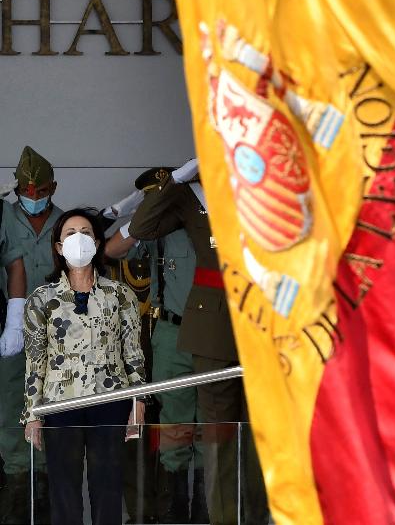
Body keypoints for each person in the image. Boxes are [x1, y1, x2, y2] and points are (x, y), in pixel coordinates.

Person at [126, 158, 269, 525]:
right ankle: (222, 518)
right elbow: (142, 226)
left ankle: (255, 516)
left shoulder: (273, 181)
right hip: (212, 323)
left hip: (268, 319)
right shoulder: (192, 195)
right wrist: (175, 180)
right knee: (218, 434)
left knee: (263, 428)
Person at [22, 208, 146, 525]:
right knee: (64, 492)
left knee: (108, 489)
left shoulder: (120, 295)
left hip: (110, 400)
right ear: (59, 246)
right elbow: (36, 361)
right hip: (61, 402)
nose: (79, 239)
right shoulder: (42, 299)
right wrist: (32, 414)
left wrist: (139, 400)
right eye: (71, 233)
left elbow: (133, 353)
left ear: (97, 241)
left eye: (86, 233)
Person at [104, 167, 207, 522]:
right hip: (172, 335)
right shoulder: (157, 230)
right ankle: (176, 511)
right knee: (175, 427)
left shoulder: (214, 220)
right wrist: (140, 210)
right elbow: (113, 249)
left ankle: (206, 510)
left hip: (214, 333)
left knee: (213, 427)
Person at [0, 147, 61, 523]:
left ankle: (45, 496)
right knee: (10, 408)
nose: (33, 198)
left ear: (54, 187)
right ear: (18, 186)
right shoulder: (2, 215)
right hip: (14, 332)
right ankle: (15, 502)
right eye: (27, 190)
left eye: (41, 192)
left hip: (58, 335)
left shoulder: (67, 222)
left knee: (51, 411)